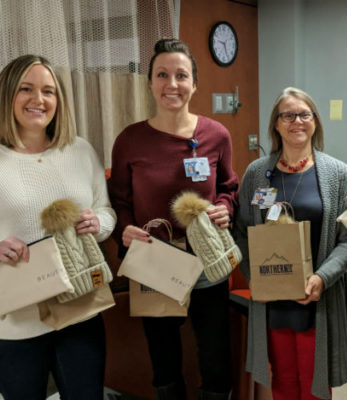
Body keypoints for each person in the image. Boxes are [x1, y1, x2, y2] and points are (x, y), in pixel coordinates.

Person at [108, 39, 238, 400]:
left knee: (215, 357)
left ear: (194, 83)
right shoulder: (130, 140)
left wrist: (225, 206)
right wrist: (124, 229)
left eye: (181, 75)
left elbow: (229, 186)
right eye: (162, 75)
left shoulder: (216, 135)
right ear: (149, 83)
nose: (172, 84)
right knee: (163, 357)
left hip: (207, 260)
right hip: (155, 260)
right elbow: (118, 199)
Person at [0, 55, 116, 399]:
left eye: (48, 91)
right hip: (16, 321)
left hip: (80, 308)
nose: (39, 100)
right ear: (7, 94)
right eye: (27, 89)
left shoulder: (80, 151)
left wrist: (98, 223)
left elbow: (106, 212)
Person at [235, 87, 347, 400]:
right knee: (283, 382)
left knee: (315, 385)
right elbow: (241, 231)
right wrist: (257, 280)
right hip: (273, 302)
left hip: (316, 297)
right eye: (287, 115)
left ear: (315, 122)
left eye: (305, 114)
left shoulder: (337, 173)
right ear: (276, 124)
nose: (296, 121)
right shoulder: (256, 174)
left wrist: (322, 278)